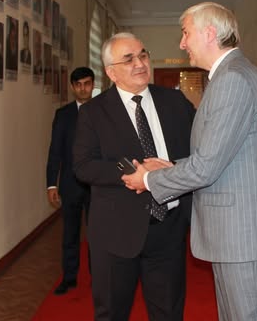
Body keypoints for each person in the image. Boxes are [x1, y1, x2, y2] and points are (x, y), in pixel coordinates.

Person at [122, 2, 257, 321]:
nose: (182, 43)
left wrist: (148, 179)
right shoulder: (234, 74)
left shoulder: (232, 80)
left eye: (186, 33)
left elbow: (207, 167)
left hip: (242, 233)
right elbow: (226, 153)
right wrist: (172, 168)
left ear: (209, 33)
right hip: (240, 231)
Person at [73, 33, 196, 321]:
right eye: (128, 59)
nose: (140, 63)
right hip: (116, 232)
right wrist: (133, 173)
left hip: (168, 228)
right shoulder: (93, 112)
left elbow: (206, 148)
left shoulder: (175, 101)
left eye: (143, 55)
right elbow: (83, 165)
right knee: (112, 313)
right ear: (111, 72)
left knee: (169, 313)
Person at [46, 67, 95, 295]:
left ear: (93, 84)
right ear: (73, 87)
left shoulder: (103, 111)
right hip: (70, 183)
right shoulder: (63, 115)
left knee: (97, 234)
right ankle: (69, 277)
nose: (83, 89)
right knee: (70, 234)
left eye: (87, 83)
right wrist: (51, 184)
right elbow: (55, 150)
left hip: (97, 184)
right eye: (79, 85)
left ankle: (98, 277)